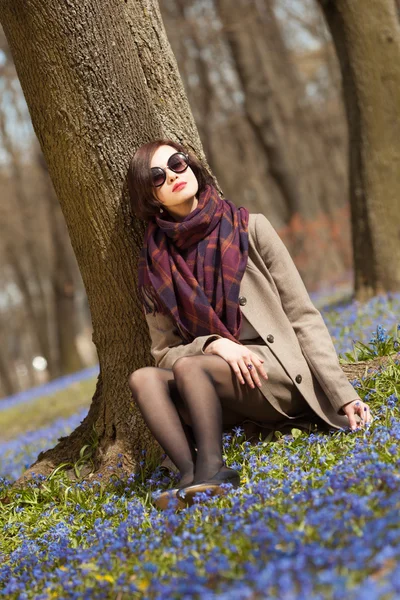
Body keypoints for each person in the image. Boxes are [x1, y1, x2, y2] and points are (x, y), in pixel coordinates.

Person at [127, 139, 372, 510]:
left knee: (192, 368)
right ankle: (189, 476)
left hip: (275, 374)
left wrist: (343, 394)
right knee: (143, 378)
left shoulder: (249, 228)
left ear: (191, 165)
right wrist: (214, 344)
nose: (174, 175)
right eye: (158, 176)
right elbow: (163, 353)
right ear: (151, 197)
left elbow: (302, 315)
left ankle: (214, 471)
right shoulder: (155, 263)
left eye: (178, 163)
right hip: (218, 389)